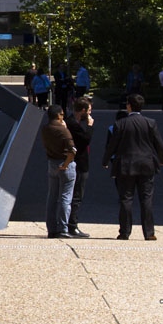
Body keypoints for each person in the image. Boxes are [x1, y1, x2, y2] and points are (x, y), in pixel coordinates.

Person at [103, 94, 163, 241]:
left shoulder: (121, 124)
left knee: (126, 198)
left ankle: (125, 232)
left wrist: (105, 160)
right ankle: (149, 232)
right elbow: (159, 144)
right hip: (146, 164)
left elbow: (112, 145)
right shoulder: (150, 123)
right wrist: (162, 159)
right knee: (146, 198)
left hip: (125, 165)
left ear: (129, 106)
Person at [40, 104, 77, 239]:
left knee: (52, 197)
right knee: (65, 198)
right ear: (59, 115)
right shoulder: (63, 131)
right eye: (62, 114)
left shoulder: (45, 129)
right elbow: (72, 150)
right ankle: (63, 228)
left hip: (52, 163)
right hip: (64, 164)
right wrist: (66, 164)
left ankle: (52, 228)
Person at [64, 97, 94, 238]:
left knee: (74, 195)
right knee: (76, 196)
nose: (89, 114)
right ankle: (72, 225)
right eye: (88, 111)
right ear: (82, 111)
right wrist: (90, 126)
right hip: (78, 163)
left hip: (78, 162)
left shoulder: (73, 122)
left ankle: (70, 224)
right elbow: (85, 140)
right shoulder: (73, 124)